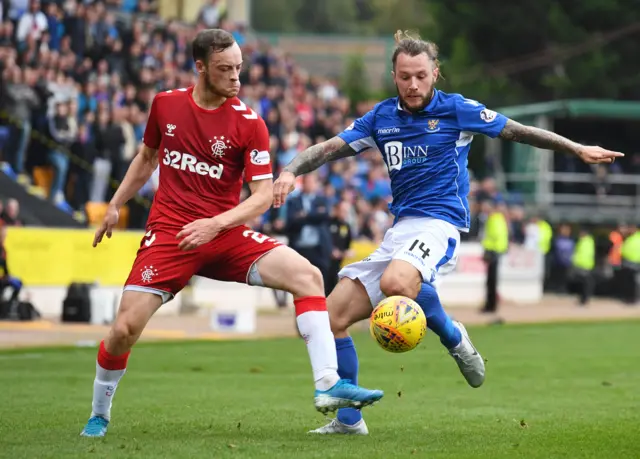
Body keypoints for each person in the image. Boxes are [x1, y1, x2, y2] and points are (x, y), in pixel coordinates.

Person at [272, 30, 623, 435]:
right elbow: (329, 147)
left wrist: (576, 148)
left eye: (421, 75)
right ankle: (350, 420)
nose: (414, 84)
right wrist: (289, 170)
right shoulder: (381, 119)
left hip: (440, 223)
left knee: (396, 281)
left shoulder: (458, 110)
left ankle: (453, 335)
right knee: (329, 318)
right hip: (400, 230)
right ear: (394, 76)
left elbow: (519, 131)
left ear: (435, 73)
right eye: (405, 76)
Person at [80, 29, 383, 439]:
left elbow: (260, 197)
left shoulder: (249, 123)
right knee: (123, 330)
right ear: (201, 67)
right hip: (171, 234)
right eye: (225, 70)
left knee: (308, 276)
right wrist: (115, 203)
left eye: (239, 68)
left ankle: (328, 384)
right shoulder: (166, 105)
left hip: (223, 234)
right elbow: (147, 157)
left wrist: (216, 224)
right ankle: (99, 413)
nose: (236, 78)